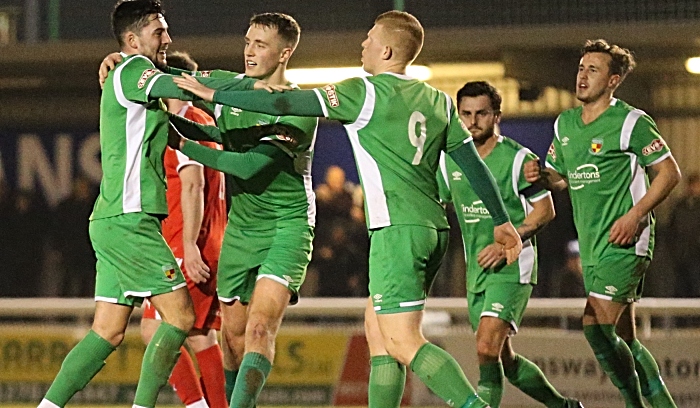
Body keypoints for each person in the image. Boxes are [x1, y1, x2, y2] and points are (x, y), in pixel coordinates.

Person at [174, 10, 523, 408]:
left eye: (370, 38)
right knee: (378, 333)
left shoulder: (363, 92)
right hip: (431, 230)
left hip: (396, 230)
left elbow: (288, 99)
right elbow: (473, 164)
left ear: (387, 49)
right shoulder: (439, 101)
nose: (363, 44)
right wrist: (503, 221)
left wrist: (213, 94)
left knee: (403, 340)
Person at [38, 2, 268, 407]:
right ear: (132, 39)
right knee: (180, 320)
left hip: (114, 219)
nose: (168, 38)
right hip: (131, 221)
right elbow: (183, 85)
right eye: (158, 31)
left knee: (107, 332)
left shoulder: (136, 78)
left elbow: (187, 104)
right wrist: (257, 85)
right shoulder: (133, 72)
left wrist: (237, 109)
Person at [165, 13, 319, 408]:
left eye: (260, 45)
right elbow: (165, 76)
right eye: (248, 41)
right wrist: (120, 62)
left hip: (287, 227)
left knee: (260, 328)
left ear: (285, 53)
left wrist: (183, 145)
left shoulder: (298, 106)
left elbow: (251, 164)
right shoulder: (233, 85)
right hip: (241, 229)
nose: (249, 51)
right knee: (231, 338)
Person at [524, 39, 681, 408]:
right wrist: (543, 177)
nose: (582, 76)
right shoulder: (564, 123)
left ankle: (632, 403)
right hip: (593, 244)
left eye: (593, 70)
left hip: (627, 240)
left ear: (613, 81)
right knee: (624, 339)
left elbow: (669, 173)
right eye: (581, 68)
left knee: (595, 327)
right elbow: (561, 176)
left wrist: (635, 215)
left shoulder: (630, 121)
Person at [437, 81, 580, 408]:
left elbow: (545, 212)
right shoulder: (451, 161)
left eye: (482, 113)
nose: (473, 121)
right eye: (466, 114)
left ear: (497, 115)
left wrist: (507, 244)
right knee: (503, 359)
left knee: (486, 347)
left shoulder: (518, 160)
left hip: (513, 266)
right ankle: (564, 406)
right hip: (478, 270)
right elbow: (437, 201)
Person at [139, 51, 228, 408]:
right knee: (199, 334)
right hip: (206, 238)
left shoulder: (183, 122)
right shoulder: (201, 119)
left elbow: (193, 185)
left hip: (186, 242)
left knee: (154, 331)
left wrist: (189, 245)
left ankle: (196, 405)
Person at [668, 172, 700, 298]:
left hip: (696, 253)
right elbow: (672, 229)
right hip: (681, 254)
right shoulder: (680, 206)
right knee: (682, 287)